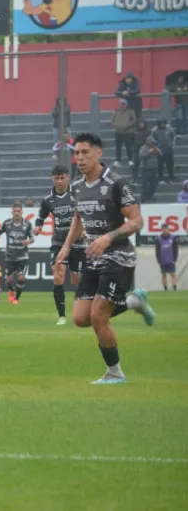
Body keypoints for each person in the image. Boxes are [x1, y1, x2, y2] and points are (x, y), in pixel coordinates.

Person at [56, 133, 156, 385]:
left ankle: (115, 373)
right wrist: (66, 247)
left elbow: (137, 221)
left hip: (119, 256)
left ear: (98, 153)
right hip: (94, 257)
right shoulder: (77, 186)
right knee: (81, 318)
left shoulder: (116, 183)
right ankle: (134, 301)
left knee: (99, 317)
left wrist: (108, 238)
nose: (80, 158)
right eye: (76, 153)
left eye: (85, 152)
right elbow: (78, 218)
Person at [35, 165, 87, 325]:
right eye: (56, 178)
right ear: (52, 178)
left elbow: (89, 212)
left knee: (77, 279)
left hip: (77, 242)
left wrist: (85, 228)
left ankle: (81, 311)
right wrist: (38, 226)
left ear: (67, 177)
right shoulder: (48, 199)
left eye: (62, 178)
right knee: (58, 276)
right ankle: (62, 316)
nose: (59, 181)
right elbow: (40, 216)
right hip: (58, 242)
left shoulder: (77, 193)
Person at [0, 202, 35, 305]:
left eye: (18, 211)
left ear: (22, 212)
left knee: (21, 278)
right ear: (12, 212)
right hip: (10, 256)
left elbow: (32, 238)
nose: (17, 213)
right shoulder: (6, 223)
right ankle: (11, 290)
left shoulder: (27, 224)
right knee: (9, 280)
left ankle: (16, 298)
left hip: (22, 256)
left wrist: (28, 241)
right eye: (15, 211)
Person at [155, 224, 179, 291]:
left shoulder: (173, 237)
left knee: (172, 274)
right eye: (163, 229)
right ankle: (165, 289)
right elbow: (157, 250)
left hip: (171, 259)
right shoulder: (159, 238)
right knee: (164, 274)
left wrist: (175, 259)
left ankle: (175, 288)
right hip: (162, 260)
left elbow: (175, 249)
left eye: (165, 229)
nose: (164, 230)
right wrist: (158, 260)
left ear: (168, 229)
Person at [138, 137, 161, 203]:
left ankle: (150, 196)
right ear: (148, 142)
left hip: (154, 168)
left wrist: (158, 151)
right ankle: (143, 197)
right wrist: (148, 153)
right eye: (152, 142)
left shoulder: (155, 147)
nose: (153, 144)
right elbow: (140, 157)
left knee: (154, 184)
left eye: (153, 143)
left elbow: (161, 155)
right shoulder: (143, 148)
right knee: (144, 184)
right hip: (145, 169)